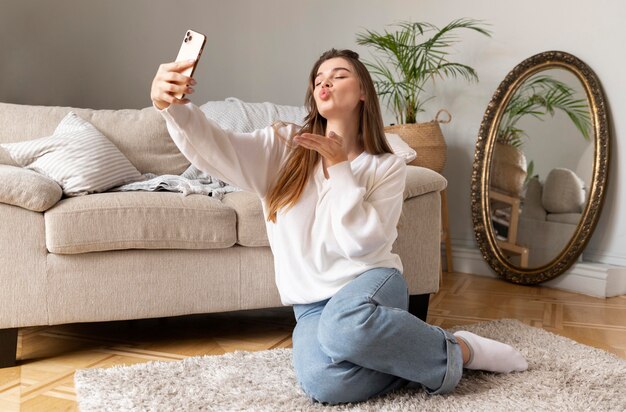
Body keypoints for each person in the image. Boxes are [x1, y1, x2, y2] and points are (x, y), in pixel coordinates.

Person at [150, 48, 528, 404]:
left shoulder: (386, 165)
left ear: (363, 91)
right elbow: (218, 147)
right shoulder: (283, 145)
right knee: (325, 383)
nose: (324, 83)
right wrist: (172, 106)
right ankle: (432, 351)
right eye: (318, 79)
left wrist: (340, 169)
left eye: (338, 74)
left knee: (345, 328)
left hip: (371, 284)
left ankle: (463, 349)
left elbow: (364, 246)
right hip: (311, 305)